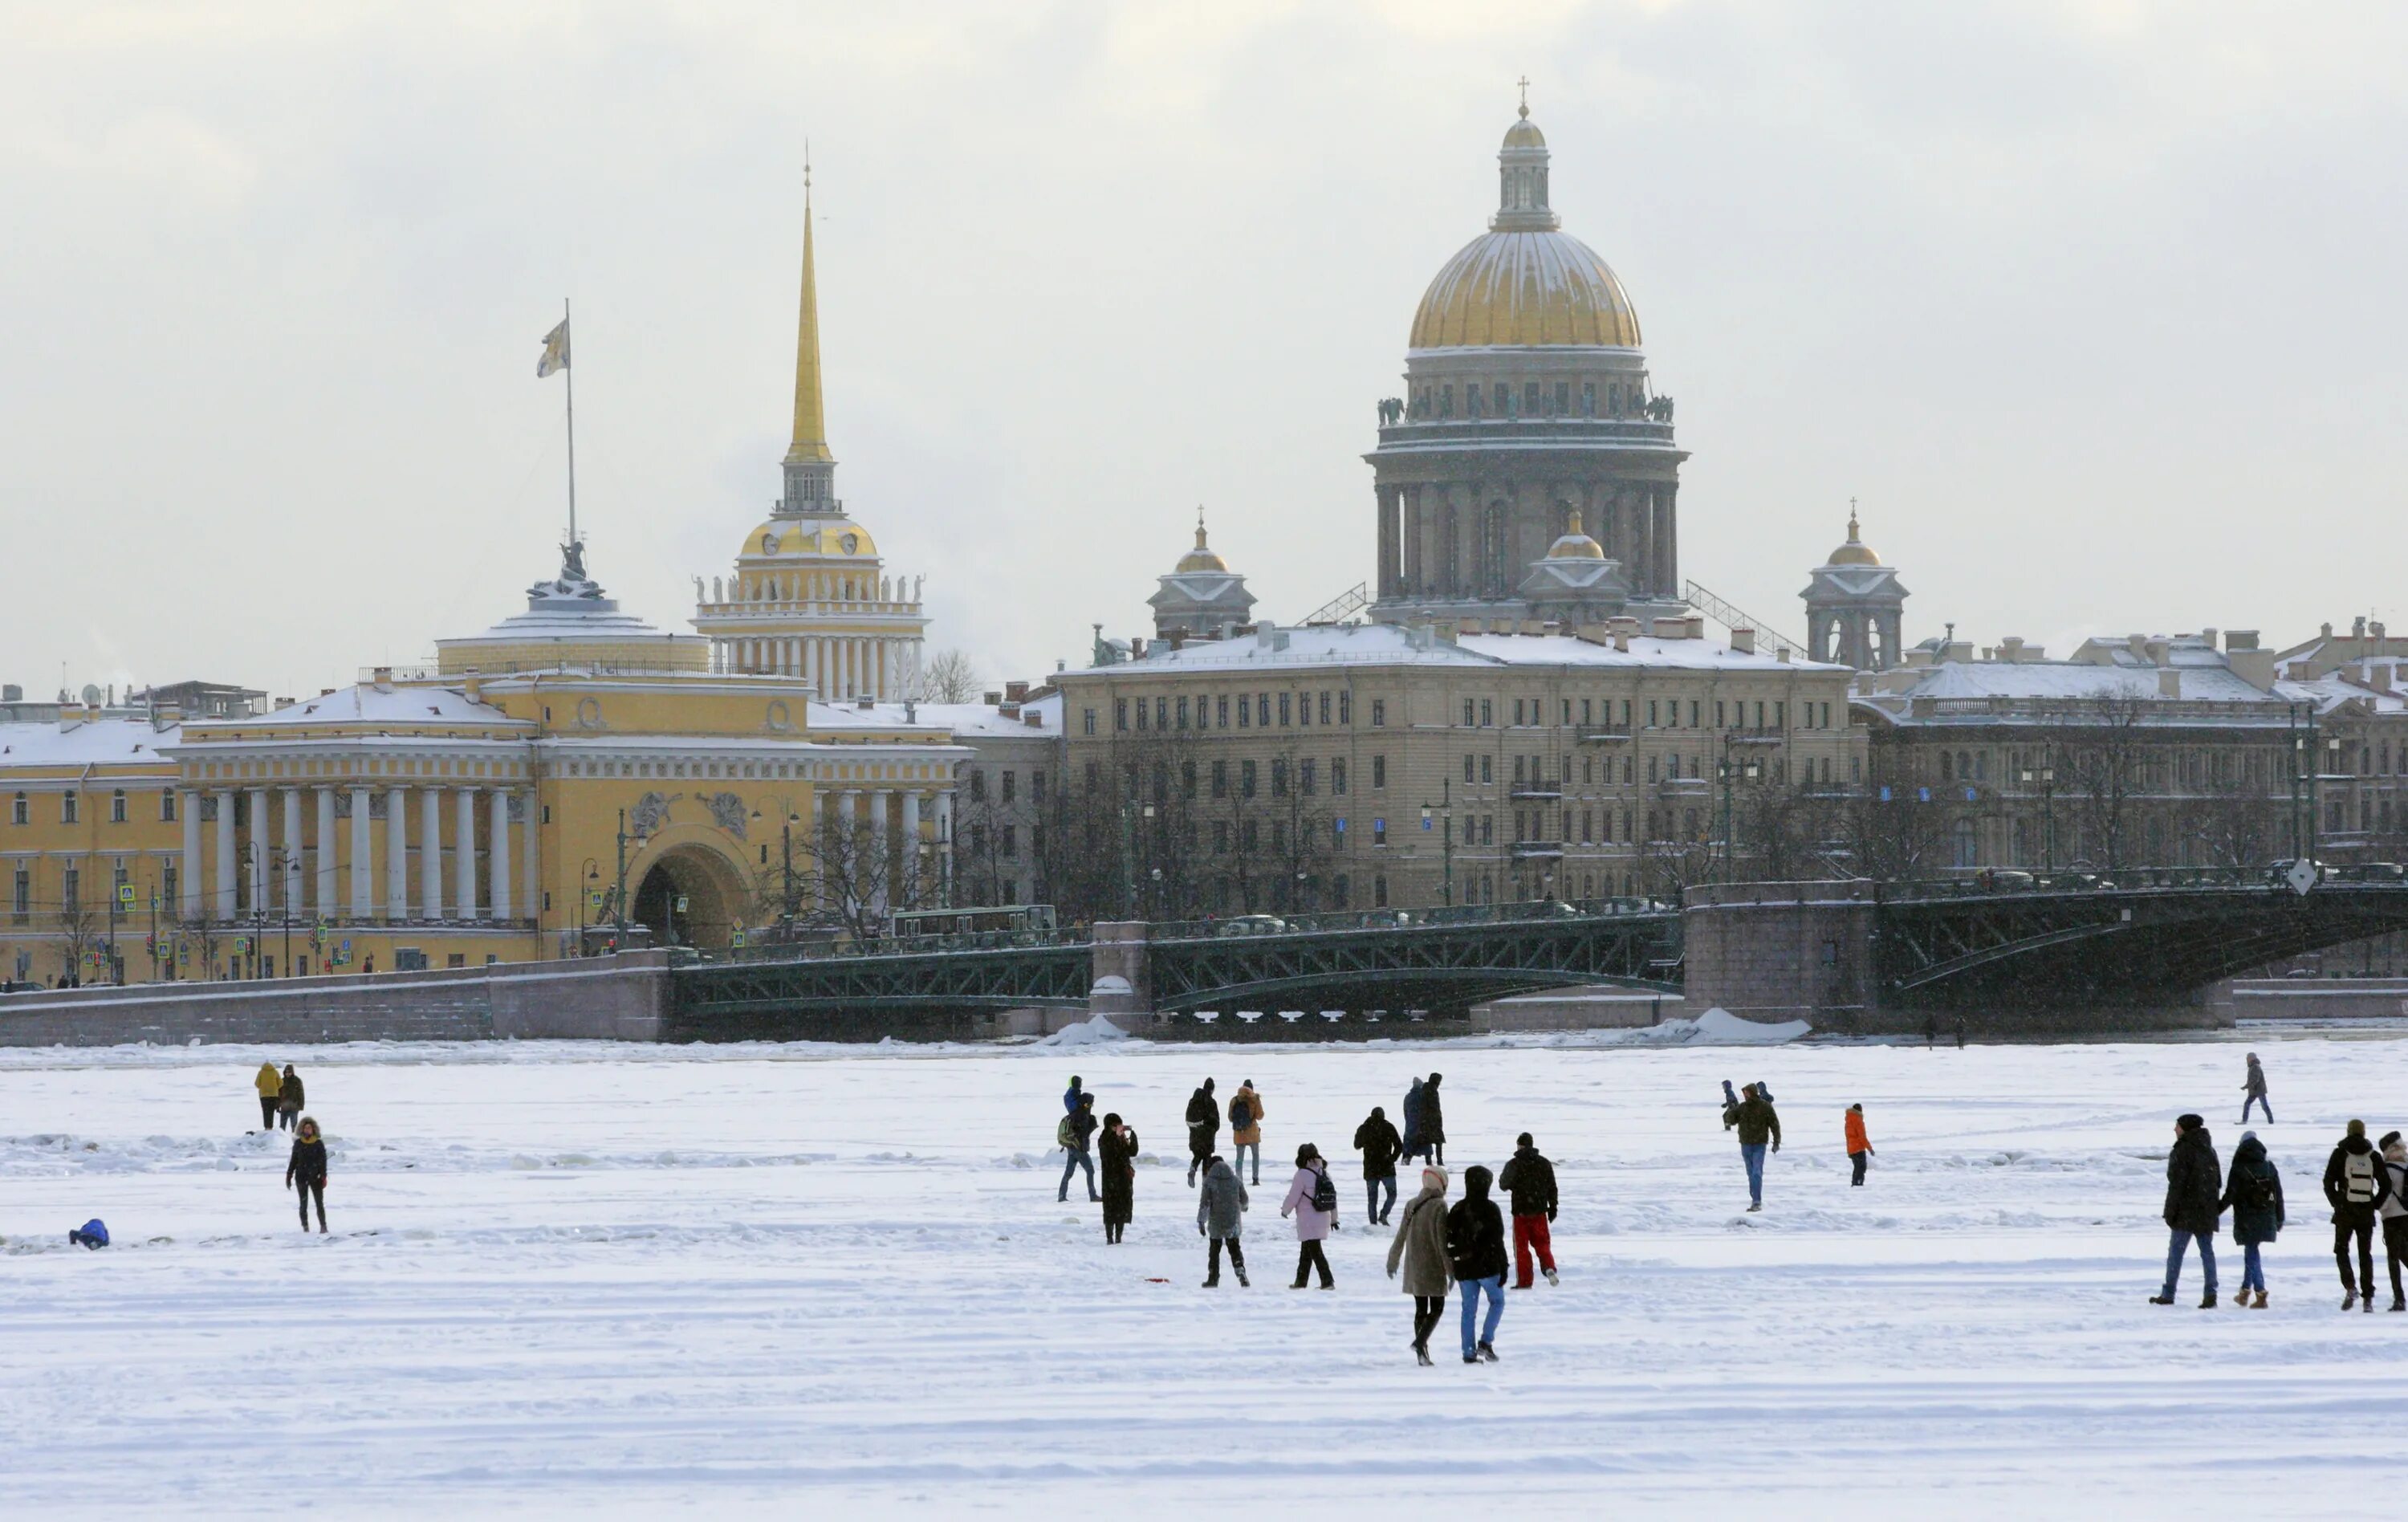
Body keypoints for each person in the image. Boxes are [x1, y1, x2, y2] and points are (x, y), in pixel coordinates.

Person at [2150, 1113, 2222, 1307]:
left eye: (2178, 1126)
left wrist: (2170, 1212)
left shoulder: (2182, 1151)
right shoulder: (2210, 1150)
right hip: (2205, 1212)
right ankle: (2210, 1294)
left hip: (2185, 1213)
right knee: (2207, 1252)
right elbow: (2217, 1183)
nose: (2175, 1129)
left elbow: (2176, 1185)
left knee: (2176, 1253)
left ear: (2186, 1128)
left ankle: (2168, 1293)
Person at [2325, 1117, 2394, 1311]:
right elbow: (2386, 1185)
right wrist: (2374, 1204)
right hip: (2365, 1211)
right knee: (2365, 1254)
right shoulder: (2373, 1156)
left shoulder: (2339, 1153)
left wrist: (2337, 1202)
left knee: (2341, 1250)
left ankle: (2350, 1287)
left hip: (2345, 1212)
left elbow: (2327, 1182)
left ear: (2348, 1131)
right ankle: (2368, 1299)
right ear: (2363, 1132)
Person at [1386, 1166, 1453, 1366]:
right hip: (1433, 1264)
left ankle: (1421, 1353)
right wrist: (1451, 1270)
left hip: (1414, 1265)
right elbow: (1442, 1242)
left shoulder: (1412, 1204)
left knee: (1421, 1309)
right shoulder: (1440, 1206)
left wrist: (1393, 1259)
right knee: (1438, 1307)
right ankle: (1420, 1342)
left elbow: (1401, 1236)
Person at [1445, 1163, 1507, 1363]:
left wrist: (1455, 1260)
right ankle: (1486, 1341)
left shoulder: (1457, 1208)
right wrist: (1504, 1266)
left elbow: (1448, 1239)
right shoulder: (1490, 1209)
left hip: (1464, 1269)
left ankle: (1468, 1352)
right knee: (1497, 1302)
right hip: (1488, 1267)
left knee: (1468, 1311)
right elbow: (1498, 1240)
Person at [2222, 1129, 2284, 1309]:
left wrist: (2214, 1212)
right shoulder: (2269, 1167)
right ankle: (2244, 1292)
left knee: (2251, 1253)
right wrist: (2280, 1218)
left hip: (2247, 1217)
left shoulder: (2239, 1168)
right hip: (2266, 1216)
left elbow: (2230, 1196)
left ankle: (2261, 1292)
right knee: (2251, 1251)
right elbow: (2278, 1195)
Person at [1498, 1132, 1559, 1288]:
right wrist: (1553, 1207)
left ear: (1519, 1145)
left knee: (1522, 1249)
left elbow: (1503, 1185)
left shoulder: (1514, 1164)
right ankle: (1549, 1267)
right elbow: (1552, 1187)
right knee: (1542, 1244)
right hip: (1539, 1212)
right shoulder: (1544, 1163)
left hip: (1520, 1213)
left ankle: (1525, 1282)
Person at [1279, 1143, 1338, 1289]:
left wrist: (1285, 1211)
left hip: (1308, 1218)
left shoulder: (1302, 1174)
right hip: (1323, 1216)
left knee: (1315, 1251)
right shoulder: (1325, 1173)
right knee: (1307, 1250)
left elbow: (1293, 1196)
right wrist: (1334, 1218)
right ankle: (1301, 1281)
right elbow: (1332, 1199)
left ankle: (1327, 1281)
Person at [1723, 1083, 1781, 1211]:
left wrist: (1776, 1141)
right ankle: (1754, 1195)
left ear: (1753, 1092)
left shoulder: (1765, 1106)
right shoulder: (1742, 1108)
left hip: (1760, 1144)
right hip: (1746, 1144)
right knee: (1751, 1173)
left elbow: (1774, 1124)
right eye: (1744, 1092)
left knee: (1756, 1173)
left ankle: (1757, 1201)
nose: (1745, 1094)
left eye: (1747, 1092)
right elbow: (1731, 1121)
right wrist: (1731, 1111)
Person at [1197, 1153, 1249, 1287]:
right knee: (1235, 1249)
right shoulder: (1235, 1180)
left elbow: (1205, 1204)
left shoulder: (1209, 1182)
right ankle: (1241, 1272)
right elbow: (1245, 1200)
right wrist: (1242, 1208)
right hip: (1233, 1222)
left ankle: (1213, 1278)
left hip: (1216, 1223)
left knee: (1214, 1251)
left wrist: (1202, 1221)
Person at [1353, 1105, 1403, 1225]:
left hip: (1371, 1168)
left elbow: (1356, 1145)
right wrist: (1392, 1158)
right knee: (1392, 1195)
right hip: (1387, 1167)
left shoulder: (1364, 1128)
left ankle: (1373, 1224)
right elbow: (1399, 1146)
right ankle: (1384, 1215)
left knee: (1372, 1199)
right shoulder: (1388, 1127)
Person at [1098, 1112, 1138, 1245]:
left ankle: (1119, 1237)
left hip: (1123, 1179)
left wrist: (1133, 1138)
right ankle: (1109, 1238)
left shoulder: (1121, 1138)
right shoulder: (1104, 1139)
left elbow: (1132, 1152)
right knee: (1110, 1209)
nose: (1119, 1128)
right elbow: (1109, 1154)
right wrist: (1116, 1137)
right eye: (1116, 1126)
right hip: (1110, 1179)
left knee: (1122, 1208)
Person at [2380, 1131, 2408, 1312]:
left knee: (2394, 1258)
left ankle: (2399, 1298)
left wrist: (2379, 1207)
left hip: (2392, 1218)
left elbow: (2386, 1196)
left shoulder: (2387, 1170)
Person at [286, 1115, 328, 1233]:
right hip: (301, 1177)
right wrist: (289, 1175)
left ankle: (323, 1226)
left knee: (319, 1204)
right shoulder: (298, 1144)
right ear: (302, 1129)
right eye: (306, 1128)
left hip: (316, 1178)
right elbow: (293, 1160)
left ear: (314, 1129)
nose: (308, 1130)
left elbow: (323, 1161)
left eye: (310, 1128)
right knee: (303, 1204)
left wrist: (323, 1176)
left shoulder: (318, 1144)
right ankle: (305, 1227)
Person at [1057, 1092, 1100, 1204]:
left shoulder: (1076, 1113)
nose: (1090, 1107)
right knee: (1090, 1170)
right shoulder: (1081, 1115)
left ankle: (1062, 1196)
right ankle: (1093, 1195)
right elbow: (1081, 1133)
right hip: (1078, 1148)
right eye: (1089, 1105)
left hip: (1072, 1147)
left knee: (1069, 1173)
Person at [1229, 1080, 1265, 1186]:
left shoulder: (1235, 1100)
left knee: (1239, 1158)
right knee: (1255, 1156)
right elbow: (1260, 1116)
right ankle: (1255, 1179)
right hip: (1252, 1132)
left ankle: (1239, 1180)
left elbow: (1230, 1117)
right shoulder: (1255, 1099)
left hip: (1239, 1133)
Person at [1185, 1078, 1219, 1187]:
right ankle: (1205, 1180)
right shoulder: (1211, 1102)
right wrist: (1213, 1129)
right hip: (1207, 1135)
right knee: (1207, 1158)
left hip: (1195, 1134)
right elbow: (1216, 1121)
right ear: (1212, 1089)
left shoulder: (1193, 1100)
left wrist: (1196, 1128)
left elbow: (1188, 1117)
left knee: (1198, 1155)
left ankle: (1193, 1169)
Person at [1421, 1072, 1447, 1167]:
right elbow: (1434, 1106)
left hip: (1426, 1120)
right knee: (1438, 1142)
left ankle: (1429, 1162)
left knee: (1428, 1141)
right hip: (1433, 1120)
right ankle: (1439, 1161)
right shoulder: (1432, 1091)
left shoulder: (1425, 1090)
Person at [1845, 1103, 1873, 1186]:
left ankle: (1854, 1183)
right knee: (1861, 1167)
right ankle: (1858, 1184)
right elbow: (1862, 1137)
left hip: (1851, 1148)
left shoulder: (1848, 1120)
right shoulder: (1858, 1120)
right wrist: (1870, 1148)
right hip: (1859, 1148)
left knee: (1857, 1167)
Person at [1400, 1077, 1427, 1165]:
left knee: (1408, 1144)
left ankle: (1406, 1159)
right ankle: (1430, 1163)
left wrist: (1409, 1120)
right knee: (1426, 1146)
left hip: (1410, 1124)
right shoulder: (1423, 1096)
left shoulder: (1408, 1097)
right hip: (1421, 1125)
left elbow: (1405, 1111)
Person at [2240, 1053, 2271, 1124]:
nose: (2247, 1059)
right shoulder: (2252, 1066)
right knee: (2247, 1104)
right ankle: (2244, 1121)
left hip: (2259, 1091)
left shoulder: (2256, 1067)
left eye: (2248, 1058)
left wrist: (2247, 1086)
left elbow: (2255, 1079)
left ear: (2252, 1058)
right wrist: (2247, 1086)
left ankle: (2271, 1121)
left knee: (2264, 1107)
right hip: (2254, 1091)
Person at [253, 1061, 283, 1130]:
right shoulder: (275, 1072)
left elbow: (257, 1084)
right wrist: (274, 1088)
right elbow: (280, 1083)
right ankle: (270, 1126)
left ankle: (266, 1127)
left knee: (265, 1112)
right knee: (271, 1112)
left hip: (264, 1096)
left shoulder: (261, 1072)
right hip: (274, 1095)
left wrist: (263, 1087)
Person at [276, 1064, 305, 1133]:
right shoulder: (282, 1081)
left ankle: (295, 1140)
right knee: (282, 1127)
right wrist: (277, 1106)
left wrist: (301, 1105)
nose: (288, 1074)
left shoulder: (297, 1081)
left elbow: (301, 1094)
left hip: (294, 1107)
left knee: (294, 1126)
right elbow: (278, 1095)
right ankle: (281, 1140)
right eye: (286, 1072)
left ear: (292, 1072)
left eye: (289, 1072)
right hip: (284, 1107)